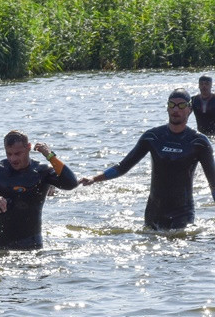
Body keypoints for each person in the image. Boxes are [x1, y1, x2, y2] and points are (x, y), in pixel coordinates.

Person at [81, 88, 215, 230]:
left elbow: (213, 183)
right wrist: (94, 179)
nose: (176, 109)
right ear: (167, 108)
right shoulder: (152, 137)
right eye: (172, 105)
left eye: (181, 105)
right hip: (154, 212)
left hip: (182, 213)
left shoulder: (199, 142)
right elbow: (123, 167)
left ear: (190, 109)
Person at [0, 131, 79, 250]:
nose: (13, 159)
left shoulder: (42, 172)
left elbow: (71, 183)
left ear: (28, 148)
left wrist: (50, 156)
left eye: (18, 153)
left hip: (32, 245)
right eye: (9, 154)